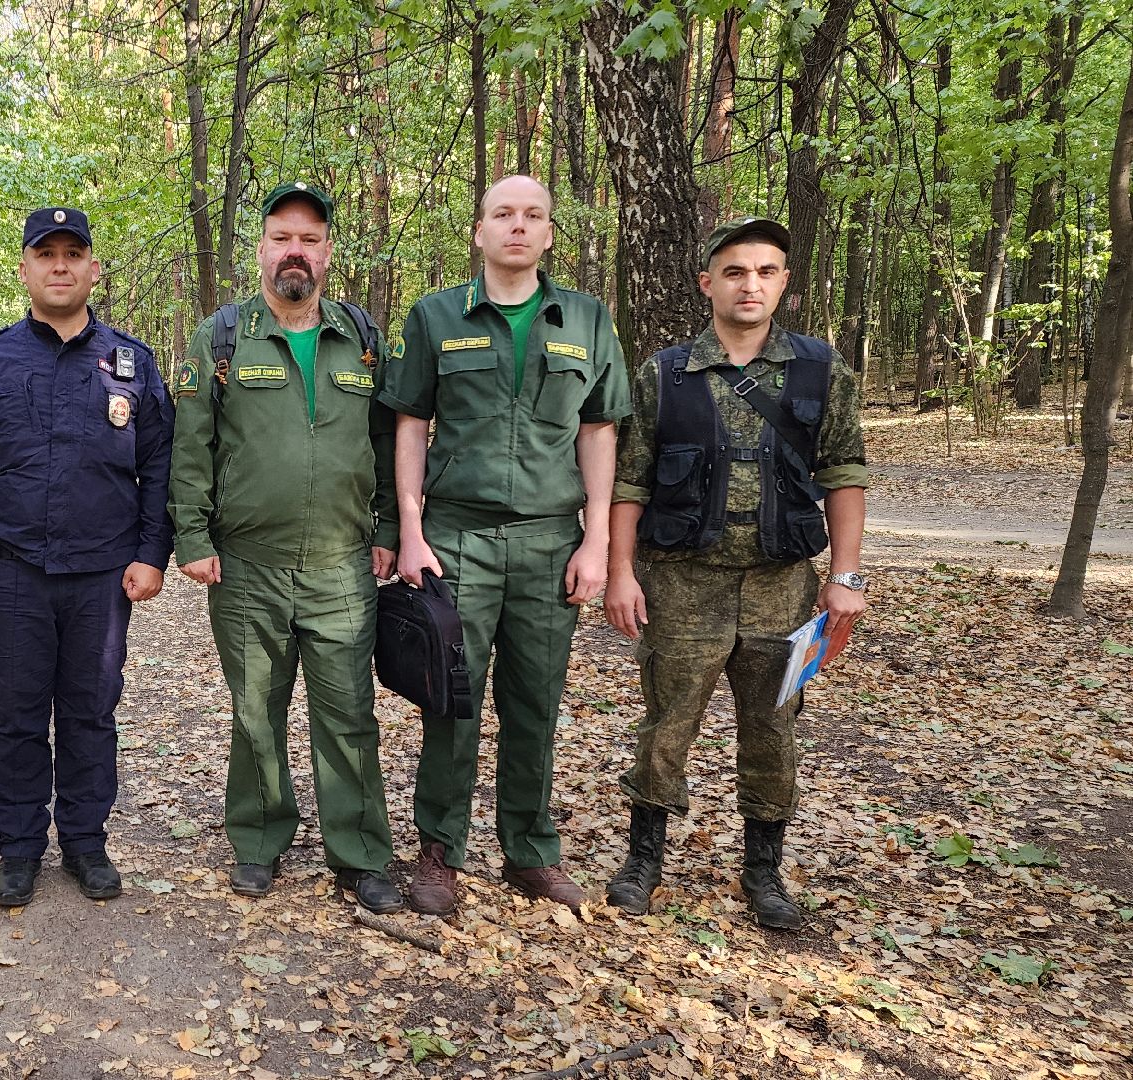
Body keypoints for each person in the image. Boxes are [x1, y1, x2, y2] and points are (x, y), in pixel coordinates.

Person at [603, 216, 867, 931]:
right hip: (680, 584)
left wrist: (846, 576)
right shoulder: (663, 373)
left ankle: (763, 871)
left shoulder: (820, 369)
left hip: (783, 589)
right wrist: (618, 572)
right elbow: (629, 481)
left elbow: (844, 473)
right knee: (666, 725)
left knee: (774, 728)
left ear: (783, 282)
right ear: (707, 283)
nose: (750, 284)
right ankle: (643, 862)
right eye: (734, 271)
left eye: (766, 271)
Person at [381, 174, 631, 913]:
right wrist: (412, 530)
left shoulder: (585, 319)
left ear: (550, 233)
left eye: (532, 216)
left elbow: (599, 431)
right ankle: (439, 852)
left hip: (552, 540)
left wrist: (597, 542)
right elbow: (408, 426)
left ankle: (529, 851)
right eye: (502, 215)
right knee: (449, 699)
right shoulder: (433, 318)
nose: (517, 227)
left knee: (535, 703)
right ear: (480, 232)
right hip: (458, 536)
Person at [0, 207, 172, 906]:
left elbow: (159, 468)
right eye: (46, 254)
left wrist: (153, 552)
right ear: (25, 268)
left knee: (92, 710)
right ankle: (20, 847)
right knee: (18, 711)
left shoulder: (131, 363)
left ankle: (86, 843)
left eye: (73, 253)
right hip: (14, 571)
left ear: (93, 268)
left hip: (101, 573)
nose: (59, 266)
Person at [168, 181, 403, 915]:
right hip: (247, 568)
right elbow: (192, 446)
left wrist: (391, 530)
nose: (293, 251)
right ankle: (259, 841)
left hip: (341, 565)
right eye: (280, 237)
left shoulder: (361, 338)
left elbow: (390, 441)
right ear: (261, 249)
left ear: (327, 253)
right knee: (255, 712)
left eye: (309, 239)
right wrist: (192, 536)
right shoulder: (223, 337)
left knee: (348, 714)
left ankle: (360, 854)